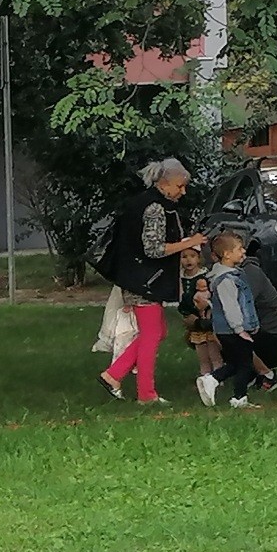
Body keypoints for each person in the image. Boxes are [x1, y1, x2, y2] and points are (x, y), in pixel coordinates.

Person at [97, 158, 206, 404]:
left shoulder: (144, 202)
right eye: (180, 186)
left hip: (138, 277)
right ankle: (146, 393)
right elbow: (154, 249)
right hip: (144, 280)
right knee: (151, 334)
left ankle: (113, 375)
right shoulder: (155, 208)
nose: (183, 192)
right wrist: (189, 243)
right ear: (165, 184)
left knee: (157, 331)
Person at [197, 233, 262, 408]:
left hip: (229, 329)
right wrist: (239, 329)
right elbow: (230, 306)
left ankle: (222, 386)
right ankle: (230, 391)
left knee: (237, 362)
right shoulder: (226, 280)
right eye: (239, 249)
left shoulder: (231, 275)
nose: (243, 252)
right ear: (227, 254)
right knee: (245, 364)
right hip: (231, 329)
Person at [238, 239, 277, 393]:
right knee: (204, 331)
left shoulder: (249, 272)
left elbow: (241, 306)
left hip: (276, 338)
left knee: (224, 332)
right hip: (263, 333)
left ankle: (266, 374)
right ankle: (244, 373)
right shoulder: (233, 273)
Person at [177, 246, 223, 381]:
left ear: (199, 258)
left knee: (214, 352)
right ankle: (205, 378)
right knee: (202, 354)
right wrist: (186, 313)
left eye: (192, 256)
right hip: (193, 322)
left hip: (207, 320)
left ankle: (217, 377)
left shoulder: (206, 277)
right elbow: (181, 300)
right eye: (184, 257)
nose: (188, 260)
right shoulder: (181, 279)